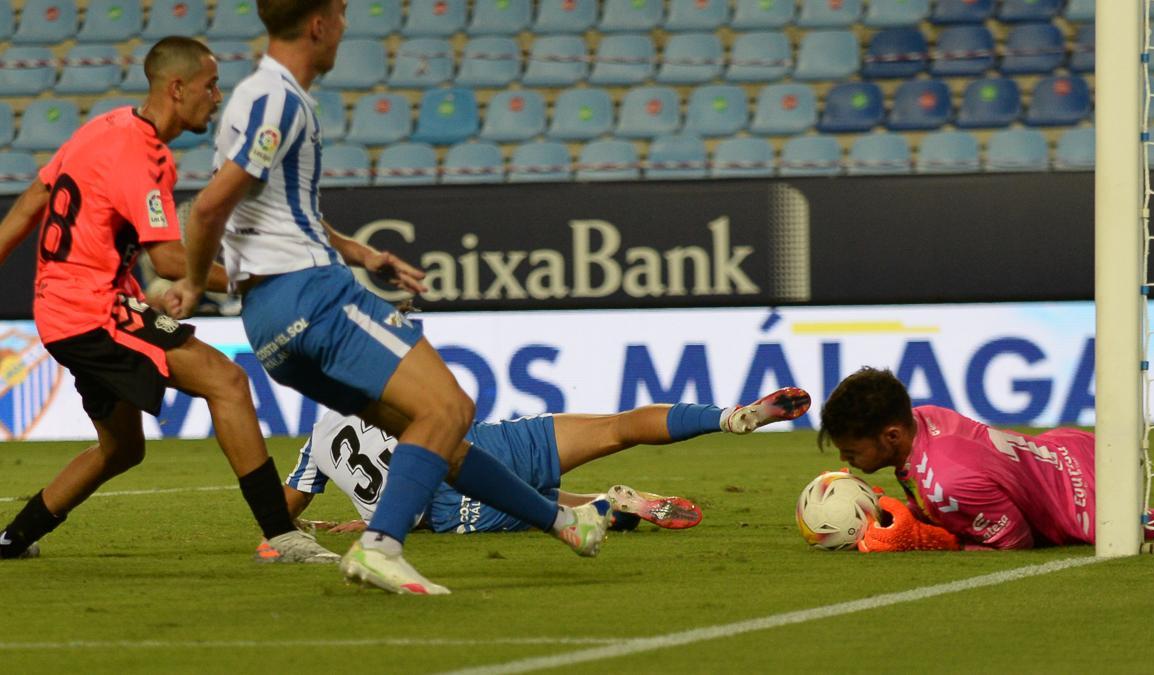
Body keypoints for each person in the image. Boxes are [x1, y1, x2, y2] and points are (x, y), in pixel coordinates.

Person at [162, 0, 614, 595]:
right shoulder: (278, 98)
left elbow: (273, 210)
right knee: (450, 408)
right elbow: (213, 205)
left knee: (433, 438)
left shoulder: (253, 100)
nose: (346, 28)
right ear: (319, 24)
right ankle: (380, 547)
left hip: (269, 321)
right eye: (342, 15)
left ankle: (561, 522)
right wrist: (194, 282)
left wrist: (360, 253)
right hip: (311, 297)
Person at [0, 37, 335, 563]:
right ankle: (281, 532)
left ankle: (12, 540)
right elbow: (173, 260)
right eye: (210, 85)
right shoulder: (144, 156)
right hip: (92, 310)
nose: (217, 96)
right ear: (177, 89)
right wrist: (257, 280)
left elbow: (29, 203)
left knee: (123, 449)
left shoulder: (102, 129)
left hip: (62, 310)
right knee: (227, 381)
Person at [279, 387, 813, 536]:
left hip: (447, 507)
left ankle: (614, 508)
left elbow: (282, 511)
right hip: (485, 444)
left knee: (544, 509)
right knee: (617, 426)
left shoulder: (319, 440)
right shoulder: (386, 388)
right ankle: (727, 417)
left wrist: (358, 518)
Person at [817, 367, 1154, 551]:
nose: (844, 457)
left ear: (892, 436)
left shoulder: (946, 485)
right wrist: (914, 511)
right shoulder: (926, 419)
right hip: (1071, 449)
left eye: (851, 449)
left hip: (1084, 505)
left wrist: (934, 540)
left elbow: (1016, 542)